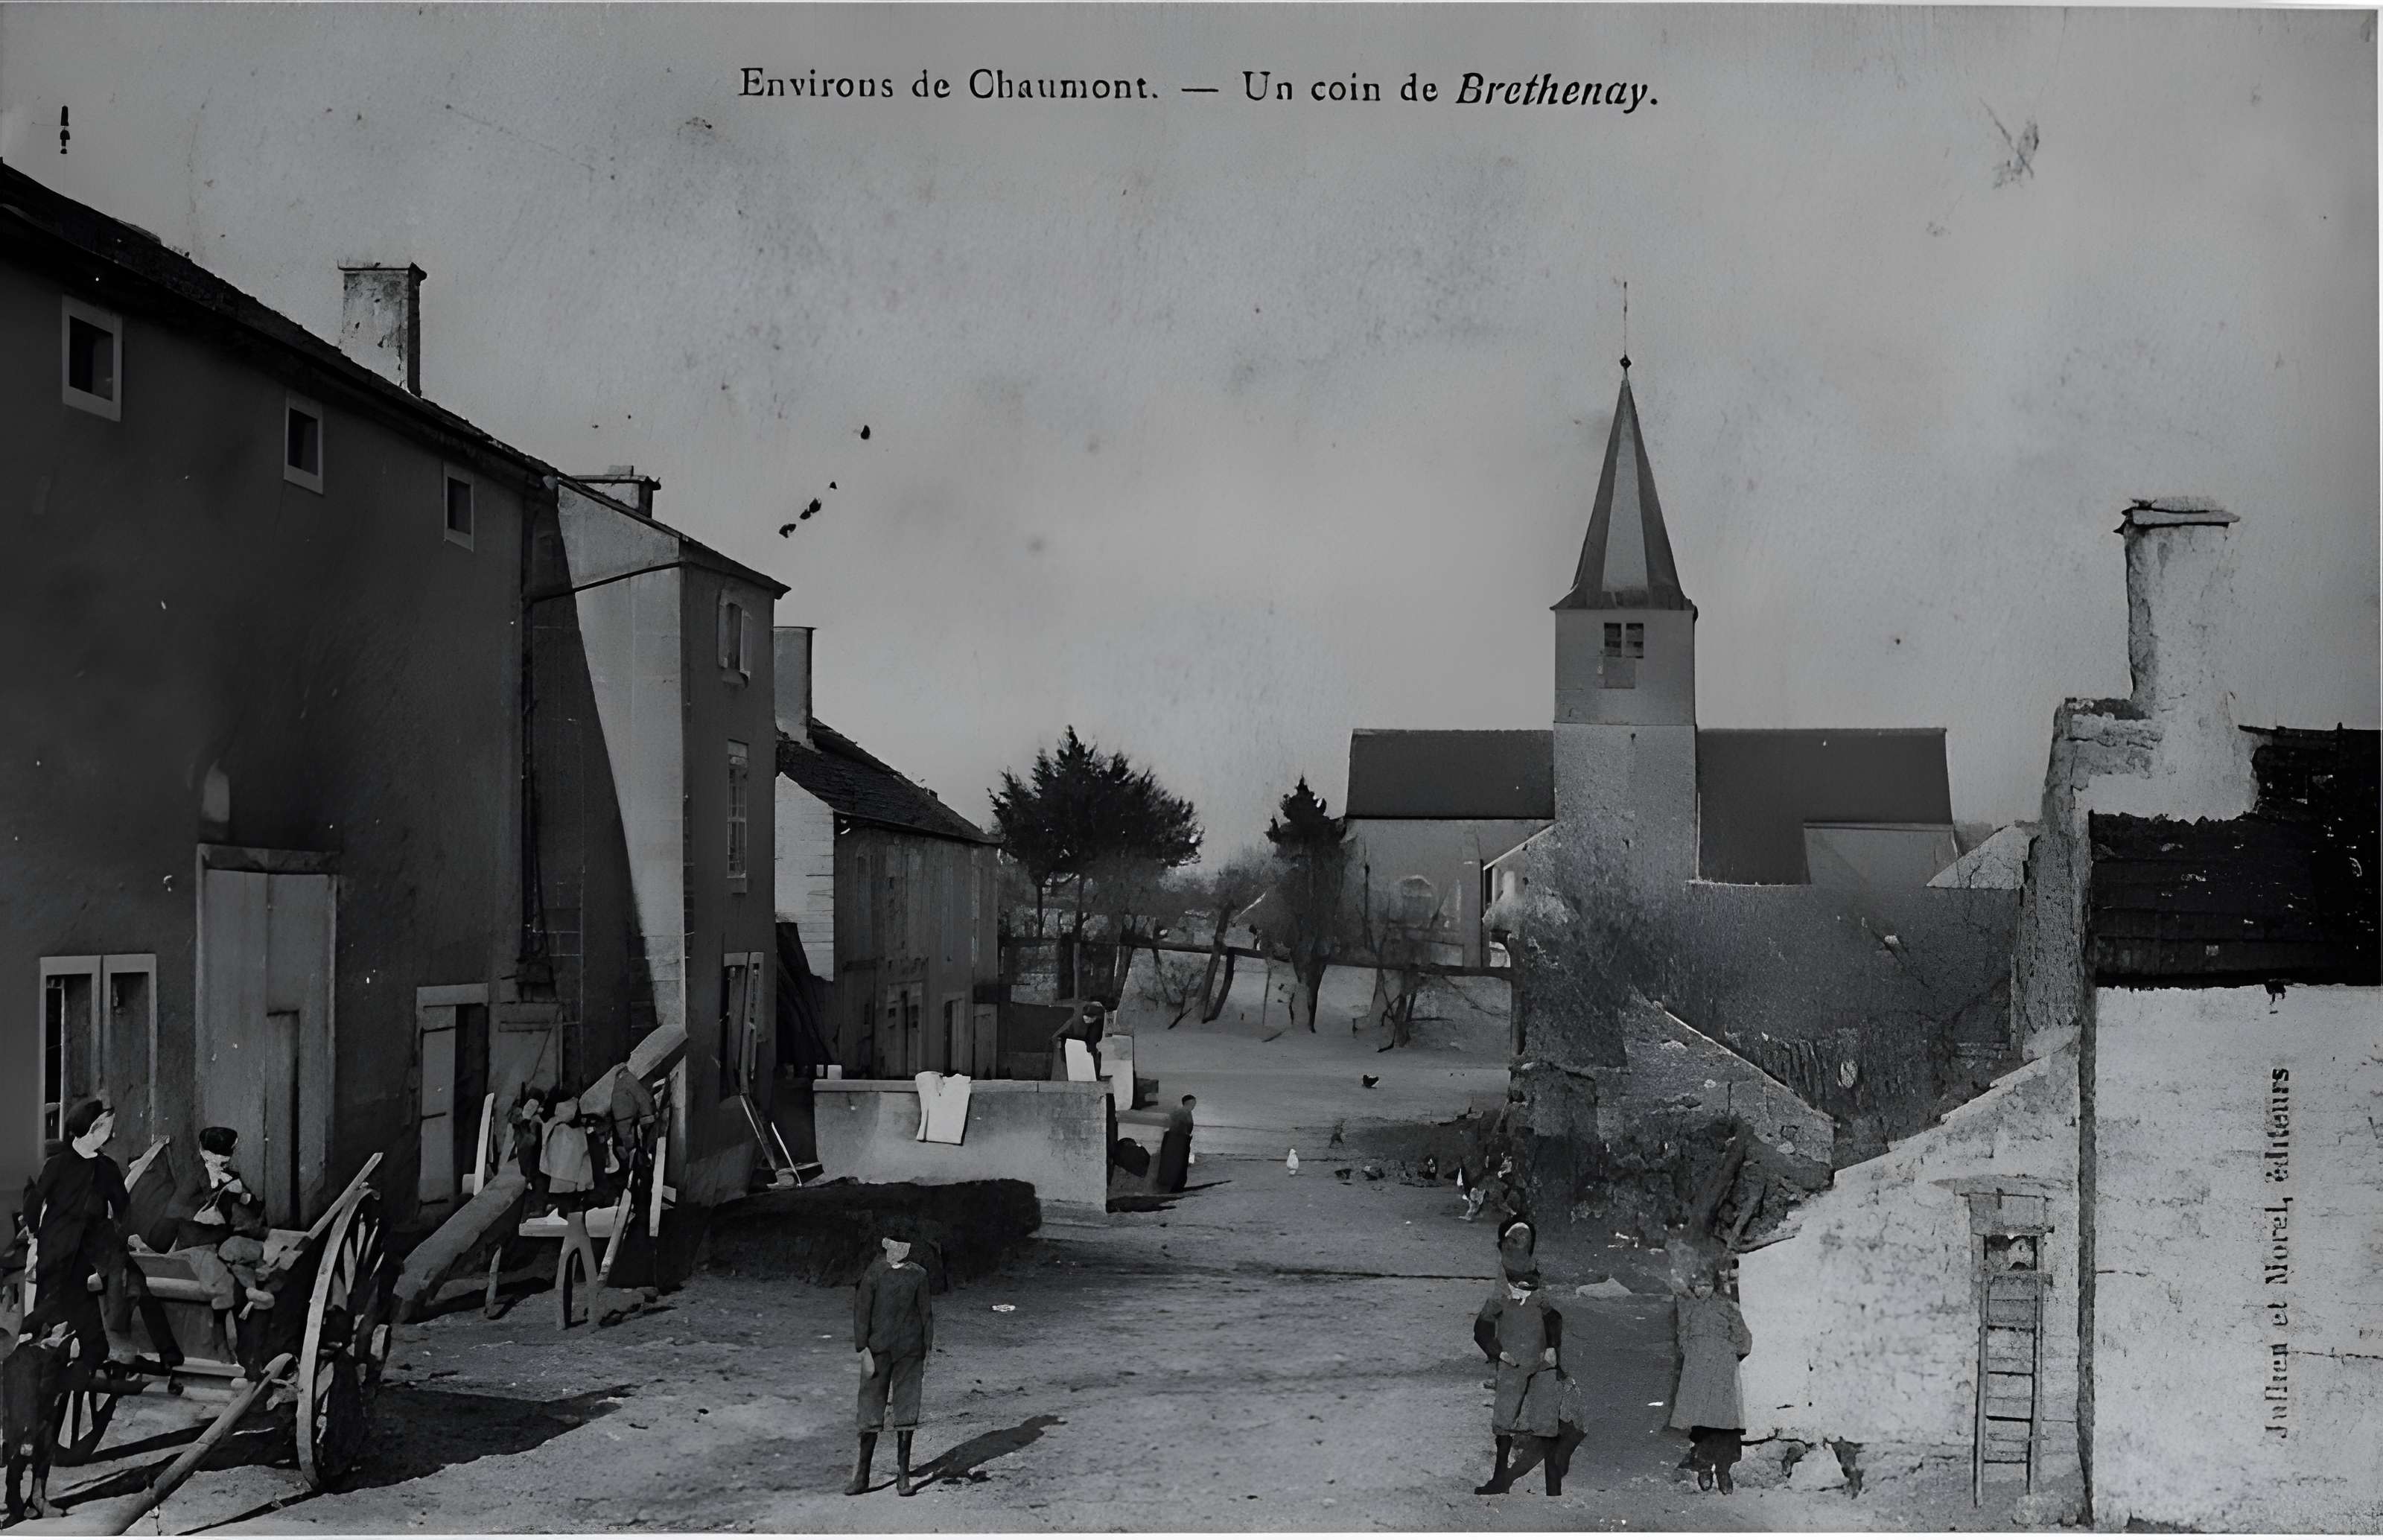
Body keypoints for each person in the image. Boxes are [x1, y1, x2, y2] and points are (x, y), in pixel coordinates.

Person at [27, 1101, 180, 1393]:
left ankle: (166, 1356)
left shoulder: (106, 1167)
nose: (111, 1133)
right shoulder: (57, 1164)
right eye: (107, 1128)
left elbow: (123, 1208)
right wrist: (36, 1235)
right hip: (60, 1241)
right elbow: (36, 1201)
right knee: (58, 1294)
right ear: (91, 1129)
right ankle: (48, 1351)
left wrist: (120, 1240)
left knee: (135, 1283)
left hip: (99, 1239)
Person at [848, 1235, 934, 1497]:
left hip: (909, 1352)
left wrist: (925, 1350)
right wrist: (862, 1348)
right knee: (870, 1408)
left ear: (909, 1248)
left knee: (907, 1409)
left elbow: (926, 1314)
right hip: (877, 1352)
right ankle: (862, 1476)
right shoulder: (874, 1274)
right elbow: (862, 1311)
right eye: (894, 1246)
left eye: (904, 1246)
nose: (899, 1251)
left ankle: (903, 1476)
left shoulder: (919, 1275)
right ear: (886, 1246)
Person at [1472, 1265, 1567, 1495]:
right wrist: (1498, 1353)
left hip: (1542, 1367)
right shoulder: (1500, 1300)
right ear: (1512, 1285)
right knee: (1503, 1427)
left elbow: (1555, 1319)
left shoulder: (1539, 1300)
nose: (1527, 1295)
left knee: (1546, 1427)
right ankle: (1499, 1482)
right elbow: (1481, 1329)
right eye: (1522, 1289)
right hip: (1511, 1369)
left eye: (1531, 1290)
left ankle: (1553, 1488)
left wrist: (1552, 1347)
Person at [1668, 1268, 1754, 1492]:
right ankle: (1704, 1468)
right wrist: (1693, 1354)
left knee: (1725, 1423)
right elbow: (1682, 1336)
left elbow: (1744, 1338)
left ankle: (1724, 1472)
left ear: (1714, 1286)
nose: (1702, 1290)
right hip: (1697, 1370)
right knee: (1701, 1421)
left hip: (1722, 1369)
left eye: (1706, 1285)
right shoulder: (1688, 1307)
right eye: (1698, 1286)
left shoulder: (1727, 1307)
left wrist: (1727, 1355)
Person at [1154, 1095, 1197, 1194]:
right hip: (1178, 1141)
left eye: (1195, 1103)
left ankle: (1173, 1186)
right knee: (1176, 1165)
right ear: (1187, 1103)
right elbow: (1177, 1127)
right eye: (1193, 1103)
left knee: (1176, 1165)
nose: (1194, 1105)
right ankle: (1173, 1187)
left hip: (1179, 1140)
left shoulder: (1185, 1112)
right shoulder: (1183, 1113)